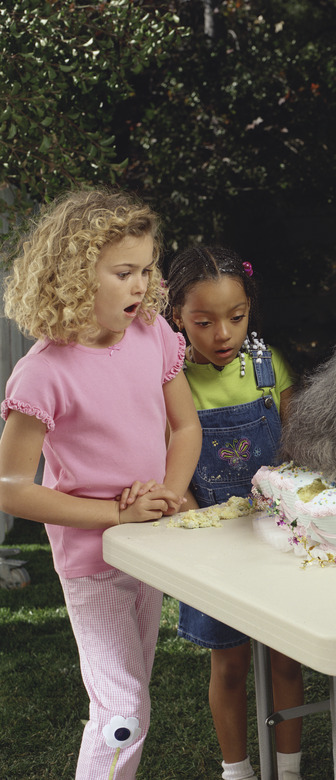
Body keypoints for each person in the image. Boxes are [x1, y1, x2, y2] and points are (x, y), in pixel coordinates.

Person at [0, 188, 202, 778]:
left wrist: (166, 492)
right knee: (123, 713)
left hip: (149, 547)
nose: (141, 286)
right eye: (123, 272)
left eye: (145, 270)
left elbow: (185, 426)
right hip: (93, 558)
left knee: (128, 700)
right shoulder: (41, 374)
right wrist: (116, 514)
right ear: (73, 274)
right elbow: (11, 485)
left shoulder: (153, 336)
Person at [166, 245, 304, 780]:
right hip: (212, 550)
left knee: (285, 658)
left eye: (236, 317)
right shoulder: (170, 381)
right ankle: (237, 771)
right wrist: (198, 525)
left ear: (250, 309)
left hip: (275, 538)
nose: (222, 334)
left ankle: (288, 770)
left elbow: (299, 447)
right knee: (228, 662)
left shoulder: (270, 368)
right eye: (203, 321)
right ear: (177, 318)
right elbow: (171, 472)